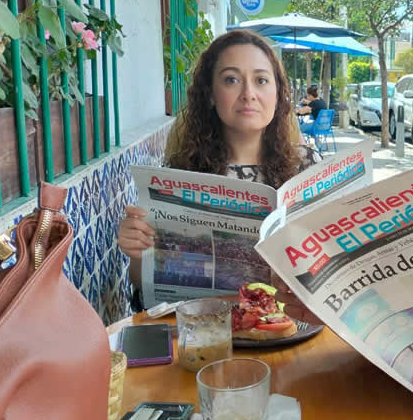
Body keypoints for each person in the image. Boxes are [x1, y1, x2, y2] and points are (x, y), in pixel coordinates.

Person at [118, 29, 321, 311]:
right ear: (211, 94)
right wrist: (137, 250)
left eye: (261, 80)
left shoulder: (307, 165)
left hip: (288, 328)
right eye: (231, 80)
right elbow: (142, 283)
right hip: (210, 331)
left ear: (278, 94)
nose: (248, 94)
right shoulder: (182, 172)